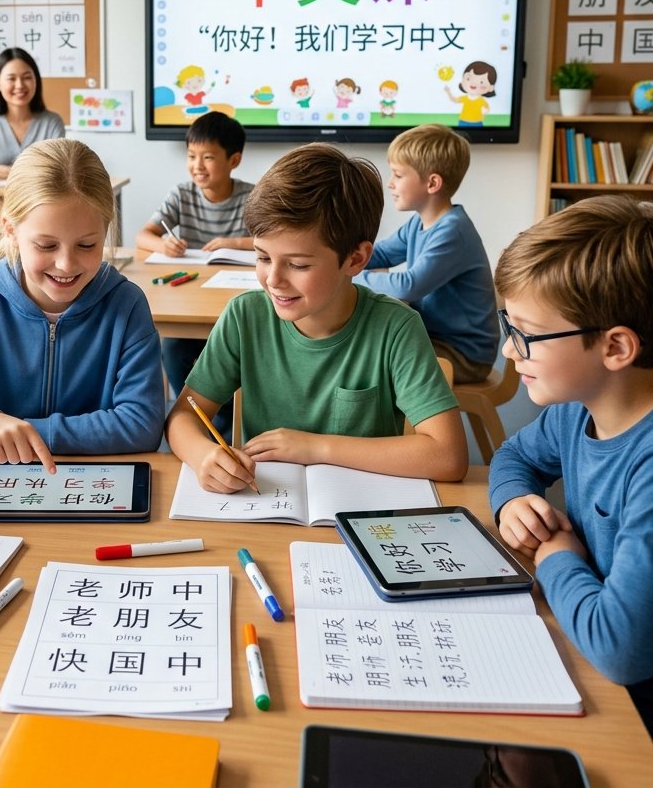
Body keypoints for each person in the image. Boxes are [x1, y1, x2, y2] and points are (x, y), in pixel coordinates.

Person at [165, 142, 468, 494]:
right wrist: (203, 454)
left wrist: (315, 447)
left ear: (355, 260)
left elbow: (448, 456)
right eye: (263, 258)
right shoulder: (244, 316)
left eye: (298, 264)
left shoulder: (396, 327)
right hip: (265, 507)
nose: (273, 279)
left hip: (361, 512)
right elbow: (183, 416)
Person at [0, 138, 165, 468]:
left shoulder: (126, 305)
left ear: (106, 231)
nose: (66, 264)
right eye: (46, 246)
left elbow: (142, 425)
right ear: (10, 230)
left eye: (87, 244)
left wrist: (26, 432)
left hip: (94, 488)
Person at [487, 196, 653, 734]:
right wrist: (513, 499)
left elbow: (620, 649)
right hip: (592, 650)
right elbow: (514, 455)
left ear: (615, 348)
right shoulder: (577, 410)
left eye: (526, 334)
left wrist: (555, 553)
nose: (510, 352)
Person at [136, 111, 254, 431]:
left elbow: (271, 239)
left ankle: (230, 421)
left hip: (232, 296)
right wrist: (163, 246)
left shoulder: (251, 195)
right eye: (191, 156)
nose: (197, 166)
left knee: (239, 347)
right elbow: (143, 236)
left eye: (208, 157)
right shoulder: (182, 193)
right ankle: (199, 418)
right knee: (173, 346)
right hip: (191, 291)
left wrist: (235, 242)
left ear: (234, 160)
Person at [353, 123, 498, 383]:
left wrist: (350, 277)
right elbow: (381, 254)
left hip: (464, 355)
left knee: (373, 349)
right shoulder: (419, 223)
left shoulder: (453, 232)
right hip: (437, 340)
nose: (390, 183)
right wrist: (341, 262)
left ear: (432, 183)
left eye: (398, 175)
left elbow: (409, 286)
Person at [0, 47, 65, 178]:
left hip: (40, 198)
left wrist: (10, 172)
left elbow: (58, 170)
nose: (20, 85)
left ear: (36, 81)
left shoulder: (52, 122)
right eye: (11, 78)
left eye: (27, 77)